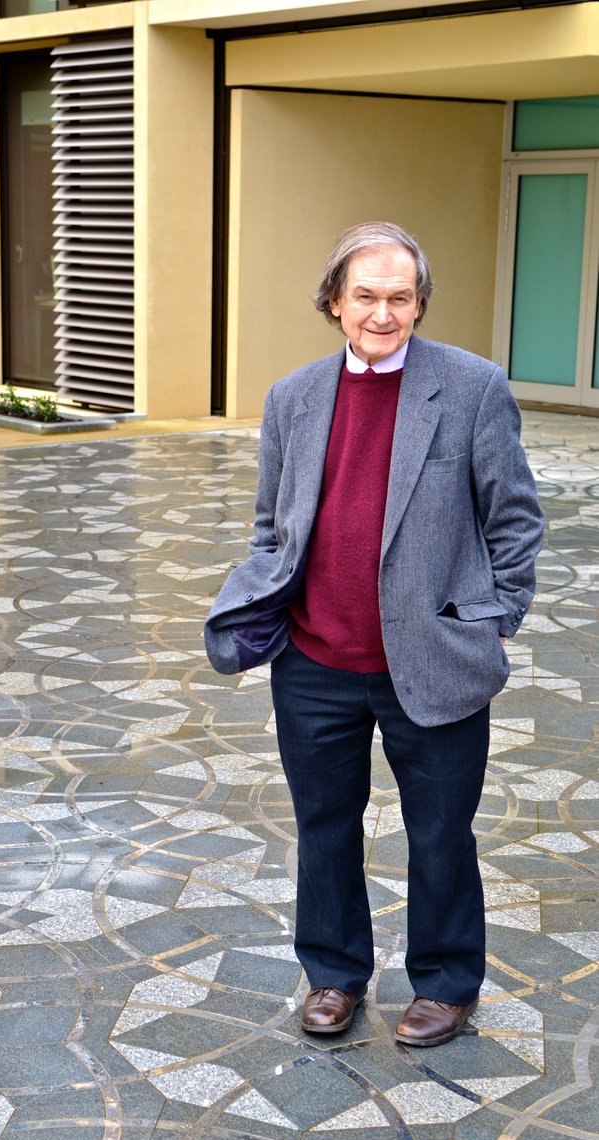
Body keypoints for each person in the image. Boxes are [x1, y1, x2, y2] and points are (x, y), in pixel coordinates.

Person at [204, 221, 544, 1048]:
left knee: (439, 832)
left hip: (431, 661)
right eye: (365, 296)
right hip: (314, 660)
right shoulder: (292, 396)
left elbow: (515, 521)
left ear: (419, 303)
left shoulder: (470, 388)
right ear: (334, 302)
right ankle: (332, 975)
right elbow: (270, 524)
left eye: (399, 297)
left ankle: (444, 982)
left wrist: (493, 626)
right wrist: (266, 601)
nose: (382, 313)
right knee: (324, 827)